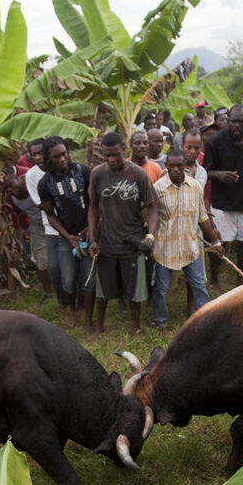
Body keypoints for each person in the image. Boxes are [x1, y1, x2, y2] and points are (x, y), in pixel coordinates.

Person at [87, 132, 157, 337]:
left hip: (132, 242)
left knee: (134, 291)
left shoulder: (138, 174)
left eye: (116, 155)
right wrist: (92, 238)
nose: (112, 160)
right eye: (107, 155)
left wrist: (149, 236)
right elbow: (92, 207)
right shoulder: (98, 174)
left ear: (124, 150)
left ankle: (136, 327)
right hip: (106, 241)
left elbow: (152, 207)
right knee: (104, 289)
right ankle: (99, 327)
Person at [151, 148, 222, 331]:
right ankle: (160, 323)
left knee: (199, 286)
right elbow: (150, 217)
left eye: (179, 165)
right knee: (161, 289)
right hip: (165, 249)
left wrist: (216, 242)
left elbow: (202, 218)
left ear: (185, 165)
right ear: (166, 165)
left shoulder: (195, 187)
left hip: (190, 247)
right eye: (172, 165)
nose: (175, 169)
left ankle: (206, 321)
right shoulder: (157, 188)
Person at [37, 137, 95, 330]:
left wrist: (90, 228)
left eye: (64, 154)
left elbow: (96, 203)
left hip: (88, 233)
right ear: (48, 159)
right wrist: (67, 236)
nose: (62, 159)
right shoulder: (45, 183)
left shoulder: (83, 172)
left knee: (88, 278)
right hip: (65, 238)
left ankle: (88, 320)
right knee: (68, 280)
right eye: (56, 156)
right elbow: (50, 215)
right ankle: (72, 309)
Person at [204, 104, 243, 286]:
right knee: (220, 243)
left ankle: (241, 279)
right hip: (223, 202)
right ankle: (214, 279)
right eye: (233, 121)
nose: (237, 125)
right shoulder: (215, 141)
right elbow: (205, 171)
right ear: (227, 121)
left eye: (241, 121)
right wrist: (219, 174)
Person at [23, 138, 60, 302]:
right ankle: (49, 293)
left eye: (40, 153)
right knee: (45, 261)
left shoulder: (59, 166)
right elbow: (40, 203)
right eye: (34, 154)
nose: (38, 157)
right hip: (44, 223)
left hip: (69, 221)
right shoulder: (31, 175)